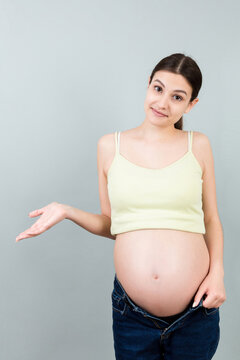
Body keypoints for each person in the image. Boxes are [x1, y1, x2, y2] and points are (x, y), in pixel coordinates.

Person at [16, 52, 226, 360]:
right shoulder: (109, 146)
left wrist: (217, 274)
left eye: (177, 97)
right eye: (158, 89)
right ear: (148, 87)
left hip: (195, 313)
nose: (163, 103)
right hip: (133, 317)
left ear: (190, 104)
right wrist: (67, 211)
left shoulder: (198, 144)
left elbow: (211, 219)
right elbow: (113, 226)